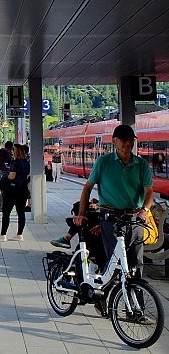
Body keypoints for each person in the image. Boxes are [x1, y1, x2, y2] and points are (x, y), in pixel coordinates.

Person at [74, 125, 153, 317]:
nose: (128, 143)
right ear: (114, 141)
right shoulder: (104, 162)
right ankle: (103, 299)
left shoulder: (141, 165)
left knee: (135, 265)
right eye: (123, 139)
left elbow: (149, 191)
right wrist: (82, 213)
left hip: (134, 218)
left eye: (130, 140)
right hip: (110, 218)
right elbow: (87, 189)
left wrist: (145, 210)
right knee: (115, 263)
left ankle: (136, 309)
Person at [50, 198, 106, 270]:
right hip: (104, 213)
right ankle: (69, 239)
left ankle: (68, 238)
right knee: (81, 208)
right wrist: (98, 204)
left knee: (85, 216)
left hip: (107, 217)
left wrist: (98, 206)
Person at [0, 144, 30, 241]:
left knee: (6, 212)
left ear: (16, 152)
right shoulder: (27, 163)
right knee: (21, 212)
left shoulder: (15, 162)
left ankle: (3, 235)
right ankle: (19, 234)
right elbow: (28, 176)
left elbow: (12, 176)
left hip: (13, 189)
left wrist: (4, 178)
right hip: (23, 190)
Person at [0, 141, 13, 211]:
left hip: (0, 171)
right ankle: (8, 206)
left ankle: (1, 206)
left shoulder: (0, 152)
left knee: (2, 189)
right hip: (8, 172)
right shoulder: (10, 153)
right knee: (9, 189)